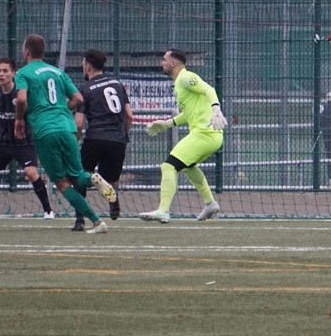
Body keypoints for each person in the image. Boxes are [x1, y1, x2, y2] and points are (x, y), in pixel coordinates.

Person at [13, 33, 116, 235]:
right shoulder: (58, 72)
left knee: (62, 182)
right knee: (78, 175)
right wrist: (62, 109)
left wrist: (18, 119)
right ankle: (94, 179)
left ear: (26, 51)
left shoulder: (23, 73)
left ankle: (97, 221)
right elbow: (78, 98)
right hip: (67, 127)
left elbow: (22, 99)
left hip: (46, 130)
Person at [139, 48, 227, 223]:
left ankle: (163, 211)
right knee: (187, 166)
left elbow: (209, 89)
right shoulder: (180, 83)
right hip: (211, 136)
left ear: (173, 63)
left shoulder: (186, 78)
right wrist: (167, 124)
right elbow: (188, 114)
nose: (161, 63)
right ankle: (210, 203)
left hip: (205, 134)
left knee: (168, 166)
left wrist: (216, 109)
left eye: (164, 60)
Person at [0, 57, 54, 220]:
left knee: (31, 173)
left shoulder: (21, 93)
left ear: (13, 73)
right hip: (3, 143)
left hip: (24, 142)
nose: (1, 74)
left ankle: (48, 210)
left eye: (5, 71)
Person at [72, 48, 133, 232]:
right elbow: (129, 116)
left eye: (83, 64)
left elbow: (79, 123)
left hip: (95, 138)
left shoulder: (85, 89)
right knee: (110, 179)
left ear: (88, 66)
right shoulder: (118, 84)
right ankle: (113, 201)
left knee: (80, 175)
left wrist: (75, 141)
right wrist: (121, 135)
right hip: (117, 140)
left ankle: (80, 220)